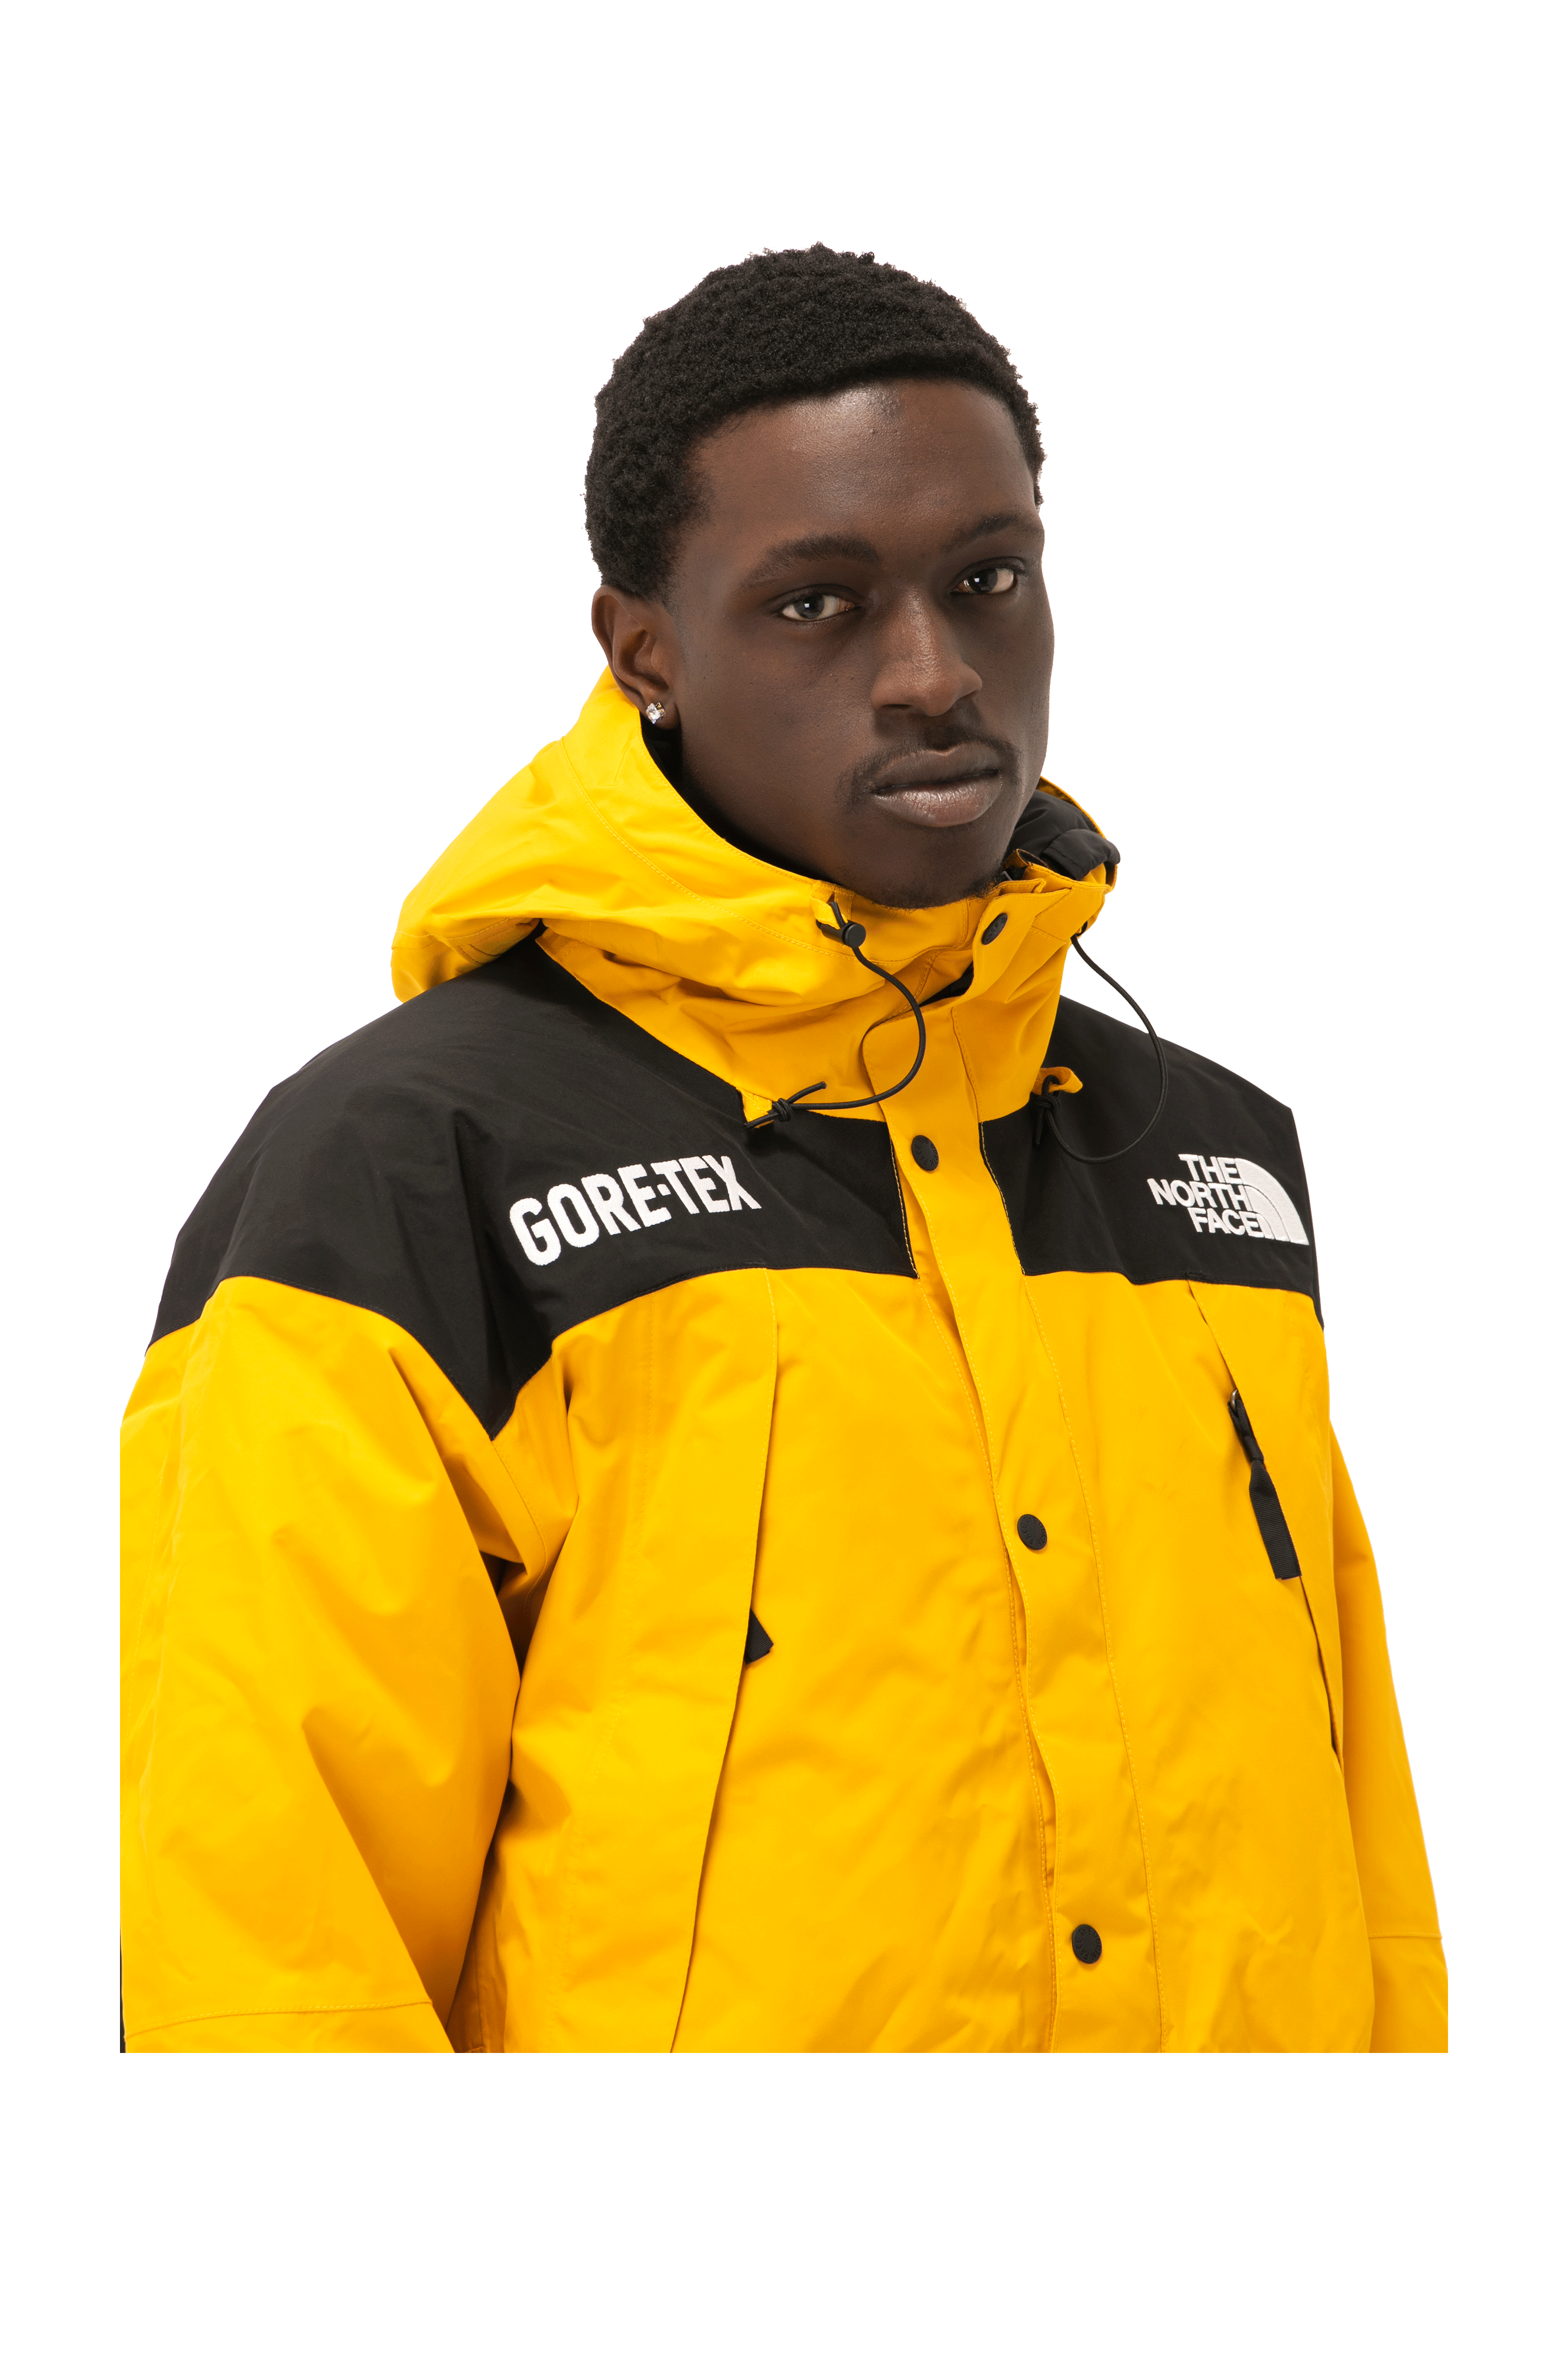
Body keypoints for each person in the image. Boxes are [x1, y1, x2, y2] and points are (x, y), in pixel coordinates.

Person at [120, 245, 1445, 2052]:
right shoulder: (409, 1167)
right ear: (645, 652)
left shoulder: (1205, 1152)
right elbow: (269, 1948)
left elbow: (1358, 1848)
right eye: (817, 602)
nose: (933, 675)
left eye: (989, 580)